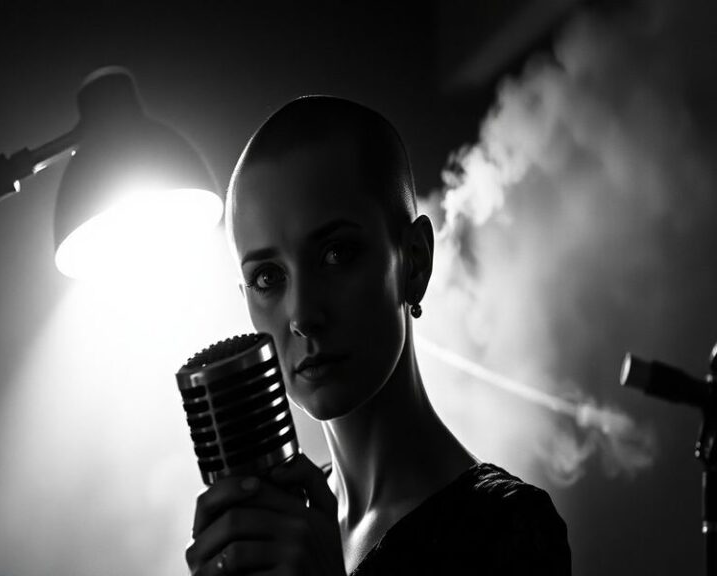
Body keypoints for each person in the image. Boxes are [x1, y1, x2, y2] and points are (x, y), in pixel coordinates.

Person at [185, 96, 571, 575]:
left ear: (414, 261)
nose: (302, 313)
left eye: (336, 254)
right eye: (268, 278)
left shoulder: (507, 529)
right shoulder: (281, 531)